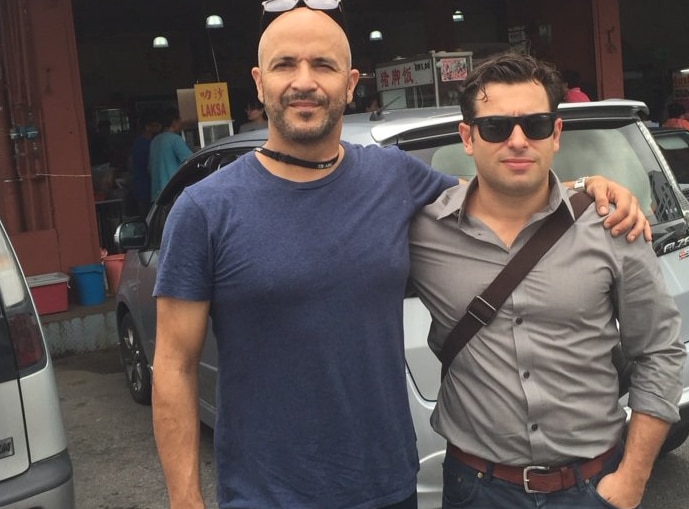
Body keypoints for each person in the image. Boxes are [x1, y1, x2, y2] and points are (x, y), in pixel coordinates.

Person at [151, 4, 648, 509]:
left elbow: (499, 197)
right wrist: (184, 499)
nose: (304, 81)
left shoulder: (392, 177)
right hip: (265, 494)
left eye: (323, 65)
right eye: (285, 65)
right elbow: (174, 364)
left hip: (385, 486)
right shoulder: (205, 209)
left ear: (350, 83)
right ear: (259, 82)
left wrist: (587, 189)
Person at [409, 52, 686, 509]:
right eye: (496, 128)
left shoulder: (611, 225)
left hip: (593, 486)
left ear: (555, 135)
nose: (518, 141)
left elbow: (658, 351)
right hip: (476, 487)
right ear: (468, 137)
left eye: (535, 125)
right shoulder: (423, 231)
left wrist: (632, 479)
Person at [149, 107, 193, 201]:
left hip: (157, 194)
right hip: (173, 193)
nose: (181, 122)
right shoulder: (175, 139)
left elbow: (149, 167)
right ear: (174, 122)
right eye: (180, 119)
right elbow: (191, 162)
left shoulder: (155, 141)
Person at [129, 111, 162, 217]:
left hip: (143, 187)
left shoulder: (141, 143)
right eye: (156, 125)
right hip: (145, 188)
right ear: (147, 127)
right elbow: (149, 167)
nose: (159, 128)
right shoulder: (145, 145)